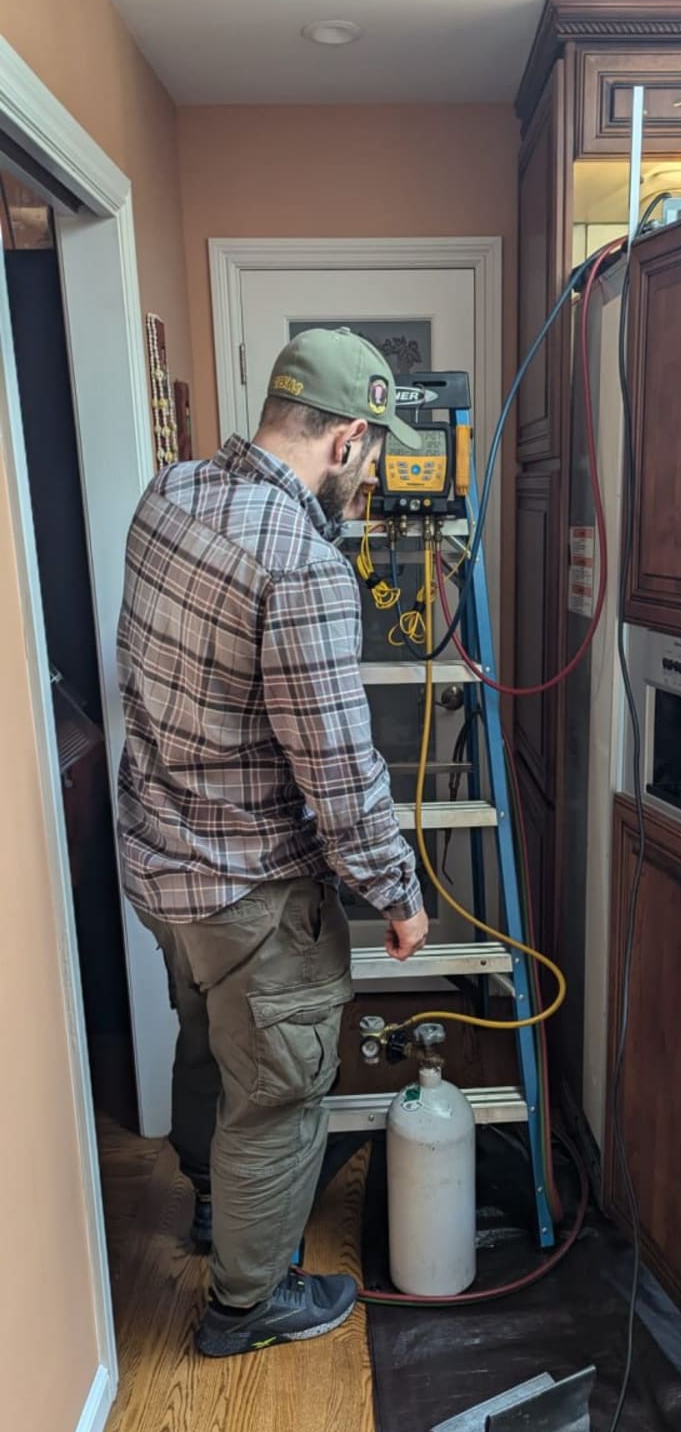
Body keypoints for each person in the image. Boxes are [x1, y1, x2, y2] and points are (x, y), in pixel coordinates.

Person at [117, 328, 429, 1357]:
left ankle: (211, 1206)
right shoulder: (302, 564)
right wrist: (397, 890)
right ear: (342, 439)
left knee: (209, 1038)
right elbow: (339, 769)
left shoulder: (168, 496)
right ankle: (247, 1304)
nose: (377, 469)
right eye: (373, 449)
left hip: (161, 866)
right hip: (251, 889)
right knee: (282, 1091)